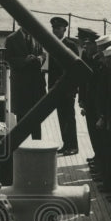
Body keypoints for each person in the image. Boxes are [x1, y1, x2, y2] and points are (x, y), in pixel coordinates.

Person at [4, 26, 46, 139]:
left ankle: (37, 146)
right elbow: (7, 58)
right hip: (20, 86)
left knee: (36, 117)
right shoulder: (11, 39)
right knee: (21, 119)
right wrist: (24, 61)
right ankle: (21, 147)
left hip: (35, 86)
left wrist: (39, 58)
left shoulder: (36, 37)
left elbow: (43, 54)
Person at [47, 16, 80, 156]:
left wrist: (73, 89)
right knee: (61, 116)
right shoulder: (52, 44)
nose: (55, 31)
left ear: (64, 29)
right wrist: (50, 87)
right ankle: (66, 143)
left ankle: (73, 145)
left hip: (67, 89)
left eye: (58, 28)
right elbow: (51, 69)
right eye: (53, 28)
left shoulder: (70, 45)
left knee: (69, 117)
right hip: (57, 88)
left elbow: (75, 69)